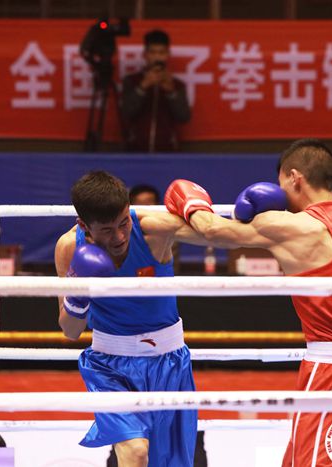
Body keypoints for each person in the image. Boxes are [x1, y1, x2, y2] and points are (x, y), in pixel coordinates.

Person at [164, 138, 332, 467]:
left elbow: (212, 231)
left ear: (294, 178)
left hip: (330, 372)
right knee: (302, 459)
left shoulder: (289, 226)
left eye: (280, 183)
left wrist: (189, 200)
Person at [55, 170, 206, 467]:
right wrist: (79, 294)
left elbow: (220, 235)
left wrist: (198, 211)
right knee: (135, 451)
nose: (120, 236)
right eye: (107, 230)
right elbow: (70, 330)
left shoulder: (152, 228)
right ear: (84, 225)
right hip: (109, 366)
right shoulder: (70, 247)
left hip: (168, 361)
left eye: (124, 223)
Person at [120, 29, 191, 152]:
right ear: (145, 54)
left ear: (168, 54)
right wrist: (143, 87)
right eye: (152, 52)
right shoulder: (132, 81)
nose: (157, 57)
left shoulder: (177, 85)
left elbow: (184, 117)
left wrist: (171, 92)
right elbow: (126, 113)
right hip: (136, 151)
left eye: (161, 53)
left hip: (167, 152)